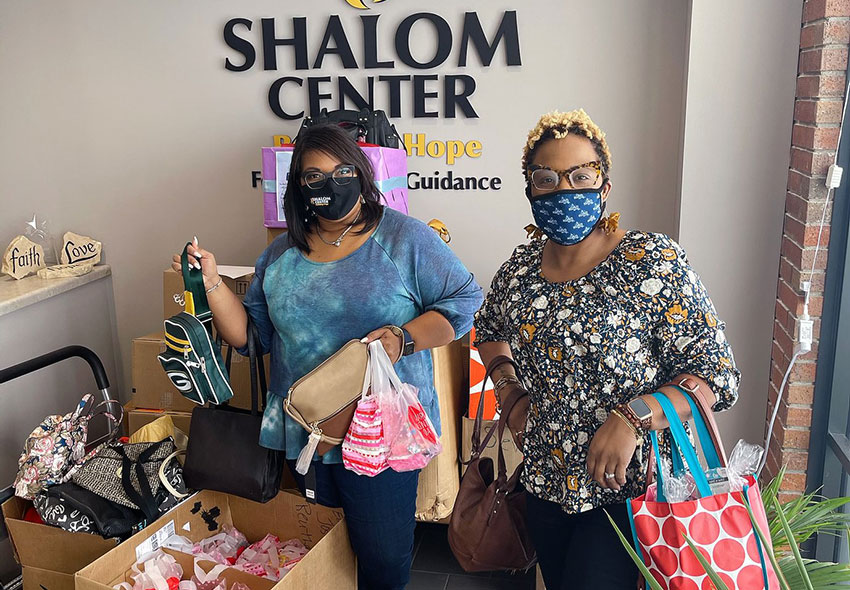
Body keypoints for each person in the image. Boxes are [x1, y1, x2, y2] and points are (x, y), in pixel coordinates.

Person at [171, 124, 483, 590]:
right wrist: (212, 282)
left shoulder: (404, 239)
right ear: (298, 188)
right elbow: (251, 338)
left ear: (362, 175)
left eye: (342, 172)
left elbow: (464, 300)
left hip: (381, 436)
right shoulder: (279, 255)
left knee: (381, 558)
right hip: (307, 435)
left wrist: (404, 338)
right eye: (314, 177)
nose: (330, 185)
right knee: (324, 552)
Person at [473, 109, 740, 589]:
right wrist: (510, 394)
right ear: (530, 189)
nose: (564, 190)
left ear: (605, 186)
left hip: (630, 491)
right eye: (547, 178)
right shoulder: (519, 273)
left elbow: (716, 373)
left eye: (581, 175)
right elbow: (488, 329)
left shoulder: (651, 261)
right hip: (545, 481)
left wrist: (633, 416)